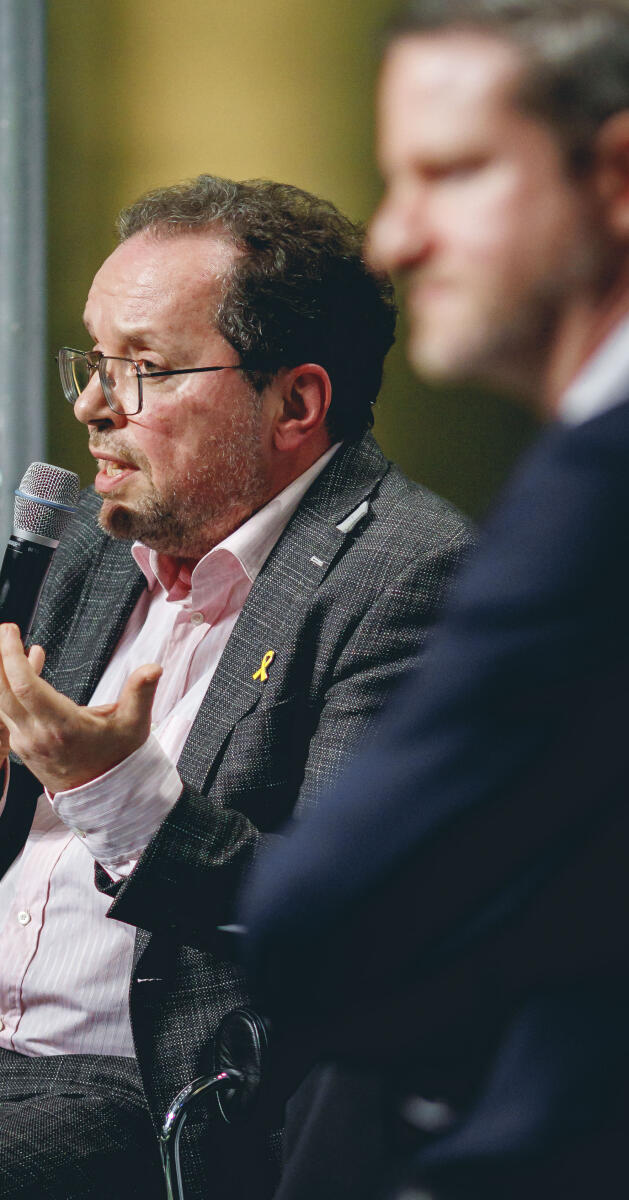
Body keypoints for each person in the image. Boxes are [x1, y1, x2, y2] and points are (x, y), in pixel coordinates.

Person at [0, 175, 470, 1199]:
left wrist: (116, 791)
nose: (90, 404)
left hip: (148, 1091)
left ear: (294, 403)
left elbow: (346, 922)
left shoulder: (406, 575)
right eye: (94, 358)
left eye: (144, 369)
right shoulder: (92, 543)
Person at [243, 3, 629, 1197]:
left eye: (450, 174)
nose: (392, 240)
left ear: (616, 176)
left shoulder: (591, 495)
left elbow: (316, 916)